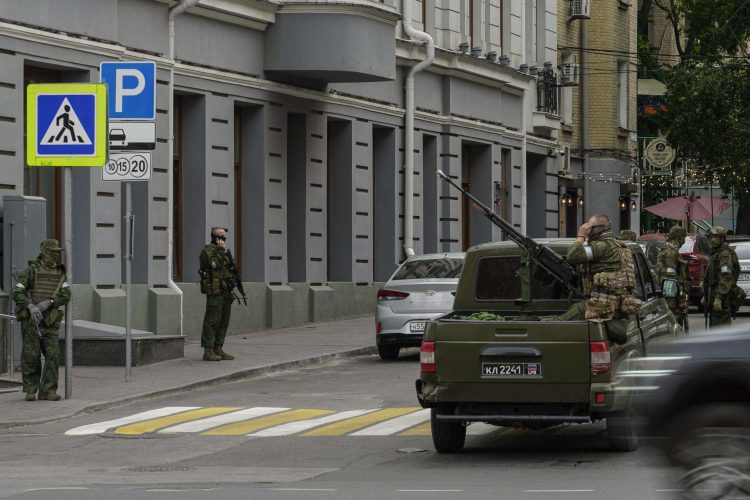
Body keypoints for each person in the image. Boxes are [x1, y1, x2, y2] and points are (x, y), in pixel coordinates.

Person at [558, 214, 640, 343]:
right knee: (573, 309)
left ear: (597, 228)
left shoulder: (602, 246)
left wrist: (581, 236)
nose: (588, 230)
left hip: (602, 304)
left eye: (589, 227)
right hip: (614, 305)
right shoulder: (619, 245)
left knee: (556, 325)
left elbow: (573, 256)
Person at [11, 239, 71, 401]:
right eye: (52, 252)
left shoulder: (60, 273)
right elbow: (16, 293)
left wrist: (50, 302)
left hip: (50, 321)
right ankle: (31, 389)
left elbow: (66, 294)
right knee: (31, 355)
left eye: (57, 252)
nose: (55, 255)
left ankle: (48, 391)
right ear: (44, 252)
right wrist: (31, 306)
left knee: (53, 355)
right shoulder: (31, 271)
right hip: (31, 321)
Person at [199, 227, 236, 361]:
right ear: (215, 237)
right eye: (221, 236)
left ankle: (218, 347)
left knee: (224, 320)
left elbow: (227, 268)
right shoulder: (207, 251)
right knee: (212, 320)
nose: (223, 238)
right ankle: (208, 350)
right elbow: (214, 264)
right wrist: (220, 250)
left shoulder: (222, 252)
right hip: (214, 291)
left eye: (224, 235)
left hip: (225, 290)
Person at [704, 226, 740, 328]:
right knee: (714, 328)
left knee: (720, 329)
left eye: (715, 237)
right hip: (714, 295)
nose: (712, 240)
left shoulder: (724, 254)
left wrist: (719, 298)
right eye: (710, 237)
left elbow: (726, 277)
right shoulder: (715, 252)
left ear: (722, 238)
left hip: (722, 297)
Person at [656, 226, 688, 327]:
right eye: (683, 238)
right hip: (672, 296)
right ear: (678, 238)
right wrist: (681, 298)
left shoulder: (668, 250)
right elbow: (671, 278)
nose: (684, 241)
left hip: (669, 293)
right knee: (676, 323)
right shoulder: (671, 253)